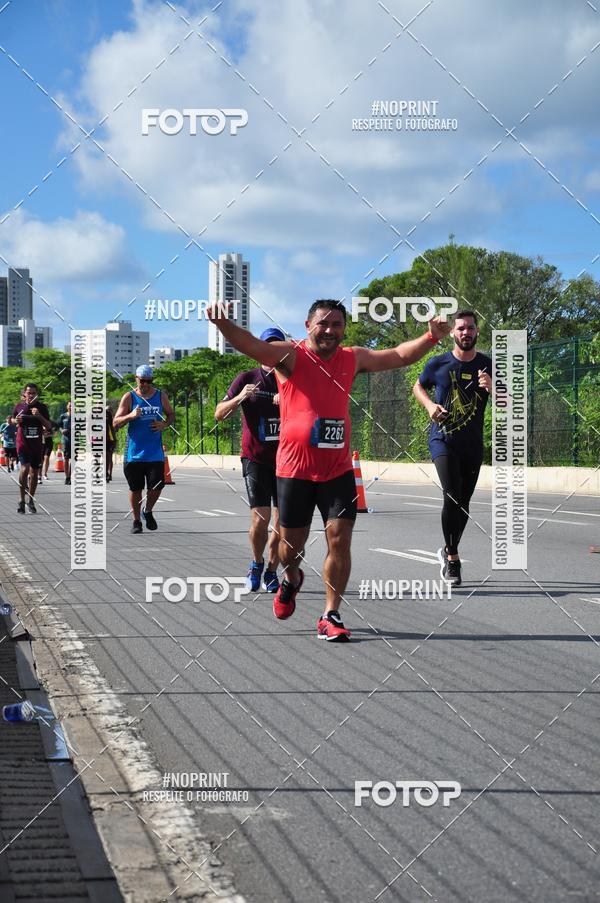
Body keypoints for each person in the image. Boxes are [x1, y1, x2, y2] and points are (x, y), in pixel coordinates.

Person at [208, 299, 451, 641]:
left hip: (336, 470)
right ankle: (291, 579)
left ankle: (330, 613)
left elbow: (398, 356)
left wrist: (430, 337)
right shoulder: (291, 356)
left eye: (337, 324)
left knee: (340, 539)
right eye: (323, 323)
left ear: (344, 330)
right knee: (289, 548)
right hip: (294, 469)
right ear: (308, 325)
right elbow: (251, 345)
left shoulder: (352, 358)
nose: (330, 330)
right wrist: (223, 325)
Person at [413, 310, 492, 587]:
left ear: (477, 331)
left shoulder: (488, 364)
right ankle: (454, 560)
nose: (465, 333)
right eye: (460, 328)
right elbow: (418, 386)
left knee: (465, 504)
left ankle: (447, 549)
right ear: (453, 333)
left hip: (472, 444)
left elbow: (510, 403)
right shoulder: (438, 363)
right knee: (452, 496)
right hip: (443, 441)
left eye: (470, 328)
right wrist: (430, 406)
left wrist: (493, 388)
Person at [215, 327, 285, 593]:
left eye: (277, 346)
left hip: (287, 459)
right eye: (267, 345)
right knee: (260, 519)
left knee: (282, 523)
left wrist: (288, 400)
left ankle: (271, 571)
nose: (271, 350)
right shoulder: (247, 377)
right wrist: (240, 397)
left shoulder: (292, 379)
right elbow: (218, 414)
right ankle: (256, 563)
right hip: (255, 458)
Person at [113, 365, 174, 534]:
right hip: (134, 453)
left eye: (149, 381)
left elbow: (171, 415)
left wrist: (164, 424)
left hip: (154, 452)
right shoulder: (129, 397)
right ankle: (136, 520)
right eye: (142, 381)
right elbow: (115, 422)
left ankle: (148, 510)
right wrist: (130, 416)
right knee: (136, 489)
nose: (145, 384)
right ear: (136, 379)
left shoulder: (160, 396)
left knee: (158, 485)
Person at [10, 383, 52, 513]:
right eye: (29, 393)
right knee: (25, 468)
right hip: (23, 443)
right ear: (24, 395)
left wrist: (39, 415)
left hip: (37, 445)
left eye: (34, 393)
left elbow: (49, 425)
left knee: (34, 473)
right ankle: (21, 499)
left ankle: (31, 500)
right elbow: (11, 419)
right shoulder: (19, 407)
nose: (32, 395)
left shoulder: (42, 408)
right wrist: (15, 421)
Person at [59, 402, 72, 485]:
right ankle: (67, 476)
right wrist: (62, 430)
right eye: (70, 405)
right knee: (66, 458)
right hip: (65, 439)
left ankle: (70, 476)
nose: (71, 407)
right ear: (67, 406)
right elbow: (59, 426)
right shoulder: (63, 416)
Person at [106, 406, 116, 482]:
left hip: (111, 439)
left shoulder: (111, 417)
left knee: (109, 457)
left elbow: (114, 427)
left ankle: (109, 474)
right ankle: (105, 473)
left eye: (109, 410)